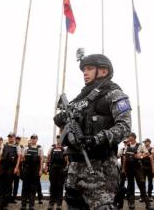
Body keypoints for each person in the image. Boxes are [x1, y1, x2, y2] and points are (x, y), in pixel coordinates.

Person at [54, 52, 132, 209]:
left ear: (103, 71)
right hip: (75, 170)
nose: (85, 73)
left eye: (89, 68)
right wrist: (62, 119)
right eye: (84, 69)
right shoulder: (80, 98)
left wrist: (97, 138)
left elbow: (125, 127)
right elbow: (62, 122)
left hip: (100, 170)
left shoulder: (114, 93)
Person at [122, 133, 153, 210]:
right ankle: (132, 204)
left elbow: (148, 154)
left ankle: (148, 204)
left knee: (141, 185)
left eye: (129, 137)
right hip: (129, 169)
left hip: (138, 168)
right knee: (130, 186)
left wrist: (141, 156)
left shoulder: (140, 145)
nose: (128, 138)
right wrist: (123, 168)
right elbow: (125, 158)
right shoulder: (127, 146)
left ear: (133, 137)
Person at [0, 132, 22, 210]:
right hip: (3, 167)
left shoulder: (17, 147)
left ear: (14, 137)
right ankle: (0, 204)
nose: (10, 138)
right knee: (2, 186)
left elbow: (19, 157)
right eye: (9, 137)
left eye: (11, 137)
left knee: (8, 186)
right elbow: (0, 156)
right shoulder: (4, 145)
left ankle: (6, 204)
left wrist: (16, 168)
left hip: (11, 167)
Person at [20, 134, 44, 210]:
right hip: (27, 170)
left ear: (37, 139)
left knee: (33, 188)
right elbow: (22, 159)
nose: (33, 140)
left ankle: (31, 205)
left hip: (35, 170)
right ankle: (23, 205)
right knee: (25, 188)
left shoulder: (40, 149)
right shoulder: (26, 148)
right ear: (31, 139)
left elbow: (41, 160)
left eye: (35, 138)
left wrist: (40, 170)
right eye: (32, 138)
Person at [45, 135, 68, 210]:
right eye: (58, 138)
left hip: (61, 169)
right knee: (52, 186)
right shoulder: (51, 148)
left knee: (60, 186)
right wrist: (46, 167)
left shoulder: (64, 148)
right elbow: (48, 158)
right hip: (53, 169)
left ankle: (59, 204)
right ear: (56, 139)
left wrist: (66, 167)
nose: (58, 140)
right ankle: (51, 203)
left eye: (60, 138)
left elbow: (67, 160)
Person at [114, 139, 129, 209]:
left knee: (129, 186)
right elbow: (116, 156)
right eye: (125, 143)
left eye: (127, 142)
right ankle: (119, 204)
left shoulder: (132, 149)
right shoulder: (122, 150)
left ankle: (129, 199)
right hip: (122, 171)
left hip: (131, 170)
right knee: (120, 187)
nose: (125, 144)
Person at [11, 136, 23, 203]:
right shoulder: (11, 146)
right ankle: (9, 197)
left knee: (16, 184)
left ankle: (14, 197)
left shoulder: (21, 147)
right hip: (11, 167)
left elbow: (21, 158)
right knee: (9, 183)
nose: (17, 140)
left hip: (18, 167)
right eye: (17, 139)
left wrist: (18, 169)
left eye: (19, 139)